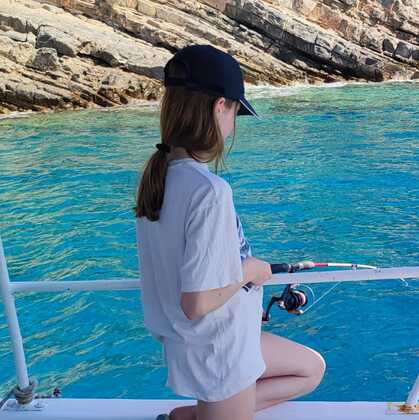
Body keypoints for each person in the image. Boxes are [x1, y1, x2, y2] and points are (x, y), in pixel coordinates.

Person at [133, 44, 325, 420]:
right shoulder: (209, 191)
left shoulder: (158, 179)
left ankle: (194, 416)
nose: (234, 124)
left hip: (202, 341)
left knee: (310, 368)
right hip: (218, 350)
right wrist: (251, 270)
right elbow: (198, 302)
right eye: (236, 111)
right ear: (220, 106)